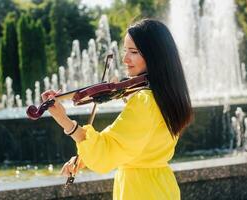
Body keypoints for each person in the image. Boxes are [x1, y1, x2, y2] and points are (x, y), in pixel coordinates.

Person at [41, 19, 193, 200]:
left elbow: (106, 152)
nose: (125, 59)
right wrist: (84, 159)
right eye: (125, 51)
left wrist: (64, 120)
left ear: (155, 56)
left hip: (140, 191)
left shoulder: (144, 100)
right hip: (161, 185)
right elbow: (134, 145)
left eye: (134, 52)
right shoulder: (165, 95)